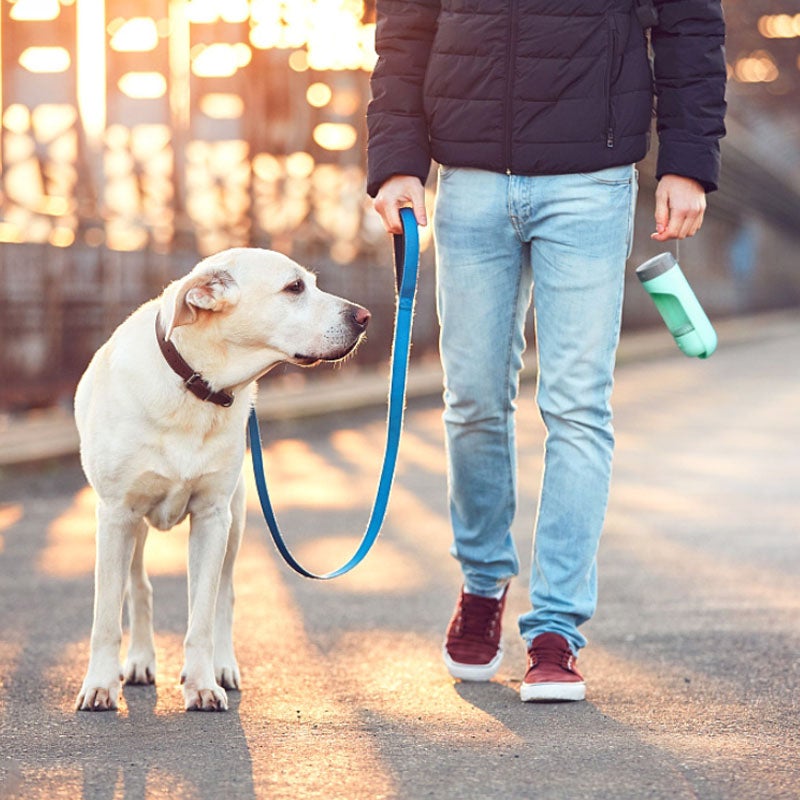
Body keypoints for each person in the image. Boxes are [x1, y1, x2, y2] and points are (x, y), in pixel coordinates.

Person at [366, 0, 726, 702]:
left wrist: (688, 160)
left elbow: (691, 26)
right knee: (471, 399)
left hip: (591, 181)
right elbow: (404, 31)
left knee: (577, 405)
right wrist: (396, 164)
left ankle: (556, 628)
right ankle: (480, 584)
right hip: (467, 179)